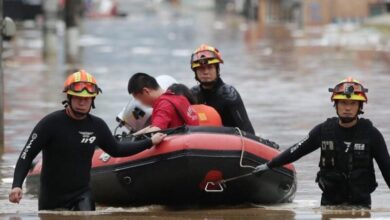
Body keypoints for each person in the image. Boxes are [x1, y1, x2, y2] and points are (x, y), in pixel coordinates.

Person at [9, 70, 166, 211]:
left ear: (93, 100)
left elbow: (117, 150)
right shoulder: (50, 123)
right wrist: (16, 185)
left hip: (82, 194)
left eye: (87, 99)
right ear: (69, 97)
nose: (82, 103)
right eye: (78, 98)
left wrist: (150, 142)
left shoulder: (97, 126)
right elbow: (26, 155)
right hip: (51, 198)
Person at [254, 77, 390, 208]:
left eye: (353, 103)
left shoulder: (371, 134)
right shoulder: (323, 131)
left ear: (360, 106)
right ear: (335, 105)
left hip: (361, 206)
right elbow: (295, 151)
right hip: (329, 204)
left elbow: (387, 168)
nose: (347, 108)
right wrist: (270, 164)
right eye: (343, 103)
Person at [190, 44, 255, 134]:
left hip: (229, 142)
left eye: (209, 67)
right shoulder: (192, 94)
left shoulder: (229, 94)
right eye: (201, 68)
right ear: (195, 72)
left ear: (217, 69)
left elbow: (247, 131)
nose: (205, 72)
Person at [128, 73, 199, 134]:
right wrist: (133, 135)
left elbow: (155, 130)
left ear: (146, 91)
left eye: (139, 99)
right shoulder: (176, 97)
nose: (141, 103)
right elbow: (155, 125)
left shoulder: (163, 105)